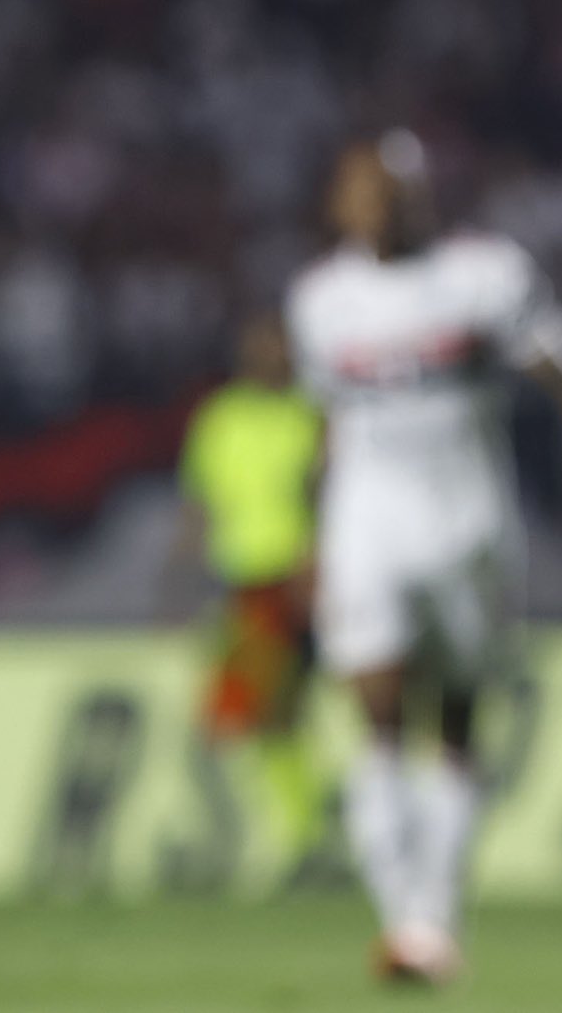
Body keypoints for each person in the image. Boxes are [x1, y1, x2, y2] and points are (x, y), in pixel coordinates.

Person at [286, 132, 562, 983]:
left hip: (470, 528)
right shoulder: (322, 300)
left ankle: (431, 921)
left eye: (400, 191)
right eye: (368, 191)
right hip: (365, 526)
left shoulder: (485, 278)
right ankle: (404, 919)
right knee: (374, 720)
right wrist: (309, 537)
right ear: (341, 204)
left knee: (452, 728)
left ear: (426, 198)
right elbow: (328, 422)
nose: (385, 206)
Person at [173, 310, 326, 865]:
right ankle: (311, 828)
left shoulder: (314, 413)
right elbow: (198, 503)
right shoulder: (221, 418)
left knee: (277, 711)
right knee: (262, 715)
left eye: (278, 346)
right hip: (246, 583)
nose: (269, 357)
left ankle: (314, 829)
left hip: (306, 577)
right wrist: (181, 582)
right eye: (259, 346)